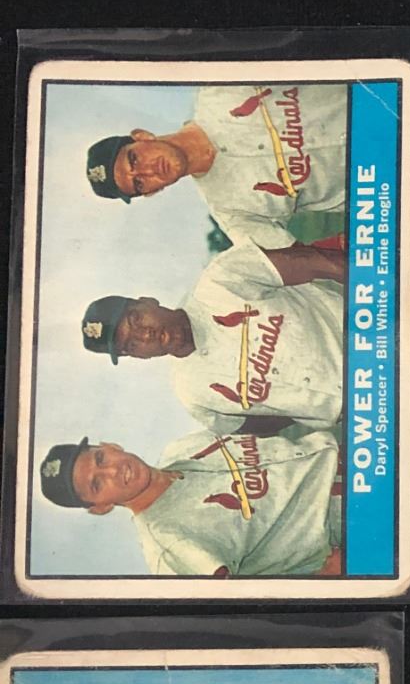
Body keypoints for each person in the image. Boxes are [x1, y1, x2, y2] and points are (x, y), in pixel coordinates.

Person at [80, 236, 345, 433]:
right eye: (131, 344)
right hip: (355, 409)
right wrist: (307, 408)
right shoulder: (192, 392)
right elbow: (254, 426)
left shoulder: (219, 280)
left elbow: (314, 262)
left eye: (135, 319)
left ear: (147, 301)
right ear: (138, 357)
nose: (144, 335)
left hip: (359, 334)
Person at [38, 428, 342, 578]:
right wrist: (326, 579)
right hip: (347, 523)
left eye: (100, 459)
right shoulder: (168, 546)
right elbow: (237, 615)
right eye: (97, 484)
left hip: (348, 449)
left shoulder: (185, 446)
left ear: (110, 446)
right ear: (100, 507)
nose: (113, 471)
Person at [84, 81, 348, 248]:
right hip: (371, 172)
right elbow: (295, 260)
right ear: (152, 192)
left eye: (134, 159)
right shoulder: (230, 211)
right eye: (139, 183)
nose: (148, 171)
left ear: (141, 136)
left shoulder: (221, 89)